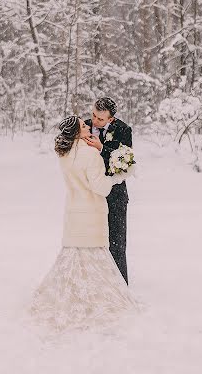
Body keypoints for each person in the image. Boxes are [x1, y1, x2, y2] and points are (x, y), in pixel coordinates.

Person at [30, 115, 136, 333]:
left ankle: (67, 299)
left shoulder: (64, 154)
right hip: (91, 214)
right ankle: (95, 301)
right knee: (96, 262)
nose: (88, 125)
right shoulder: (90, 154)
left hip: (74, 213)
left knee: (73, 261)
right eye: (83, 125)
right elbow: (101, 188)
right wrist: (118, 176)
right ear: (77, 133)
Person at [84, 98, 132, 284]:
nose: (94, 121)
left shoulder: (123, 130)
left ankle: (120, 286)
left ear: (111, 119)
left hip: (115, 194)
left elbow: (125, 162)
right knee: (90, 240)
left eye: (100, 119)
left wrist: (102, 148)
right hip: (90, 194)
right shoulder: (84, 127)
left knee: (116, 242)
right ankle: (93, 283)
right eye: (93, 115)